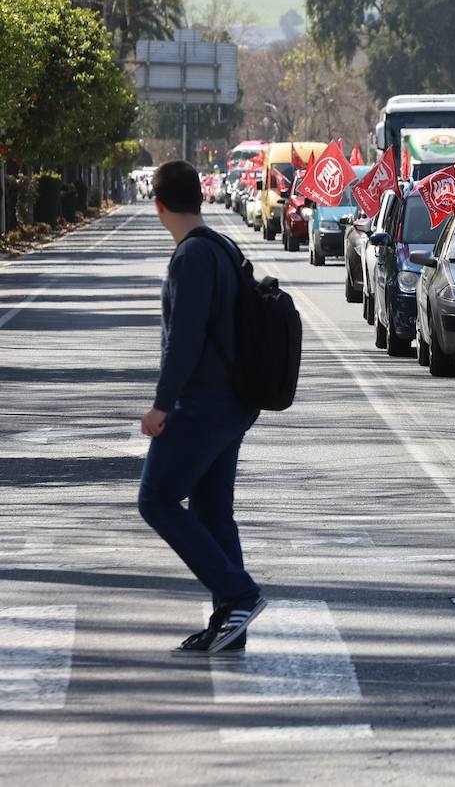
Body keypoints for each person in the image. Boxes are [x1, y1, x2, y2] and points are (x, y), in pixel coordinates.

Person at [140, 160, 267, 653]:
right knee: (213, 512)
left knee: (156, 499)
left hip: (205, 402)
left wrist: (161, 405)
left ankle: (240, 593)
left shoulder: (191, 256)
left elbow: (185, 342)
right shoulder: (221, 245)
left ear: (159, 206)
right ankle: (229, 623)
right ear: (200, 197)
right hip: (234, 400)